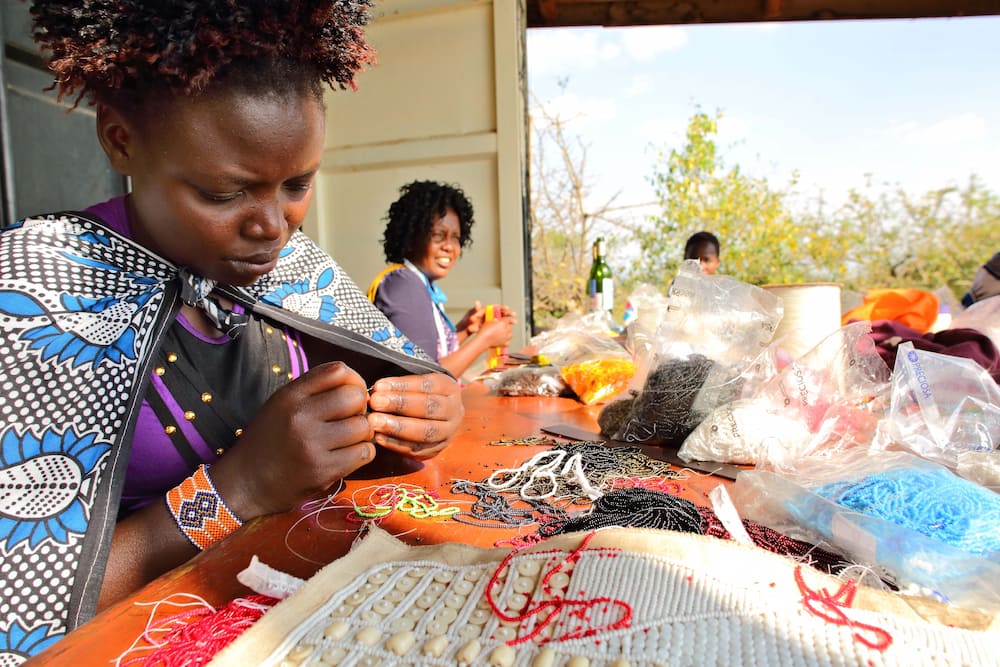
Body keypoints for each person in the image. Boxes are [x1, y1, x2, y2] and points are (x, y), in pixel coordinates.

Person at [0, 1, 463, 657]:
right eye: (225, 193)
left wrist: (415, 421)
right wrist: (237, 487)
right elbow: (22, 602)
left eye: (297, 183)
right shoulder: (33, 293)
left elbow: (394, 401)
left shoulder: (294, 268)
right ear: (120, 139)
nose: (273, 225)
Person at [368, 180, 516, 378]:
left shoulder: (419, 283)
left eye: (455, 237)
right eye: (438, 235)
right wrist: (485, 339)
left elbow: (430, 354)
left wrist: (466, 329)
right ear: (412, 237)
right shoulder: (404, 285)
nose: (449, 247)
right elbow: (426, 377)